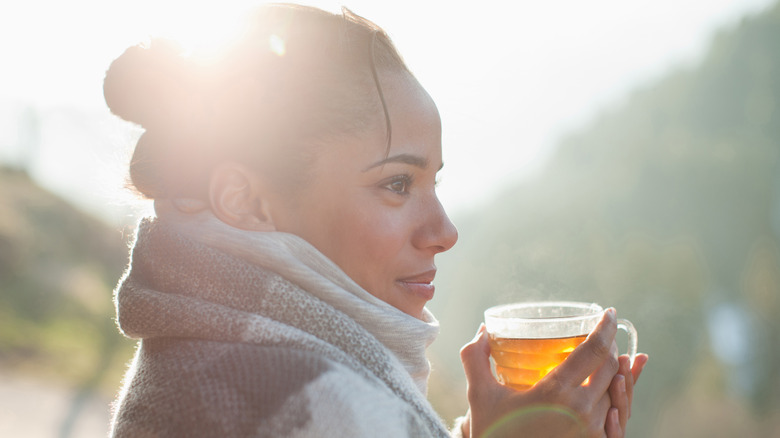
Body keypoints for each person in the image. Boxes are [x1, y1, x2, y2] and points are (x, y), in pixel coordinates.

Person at [104, 4, 648, 437]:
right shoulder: (306, 401)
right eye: (397, 184)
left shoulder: (214, 363)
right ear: (245, 200)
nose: (445, 233)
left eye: (434, 183)